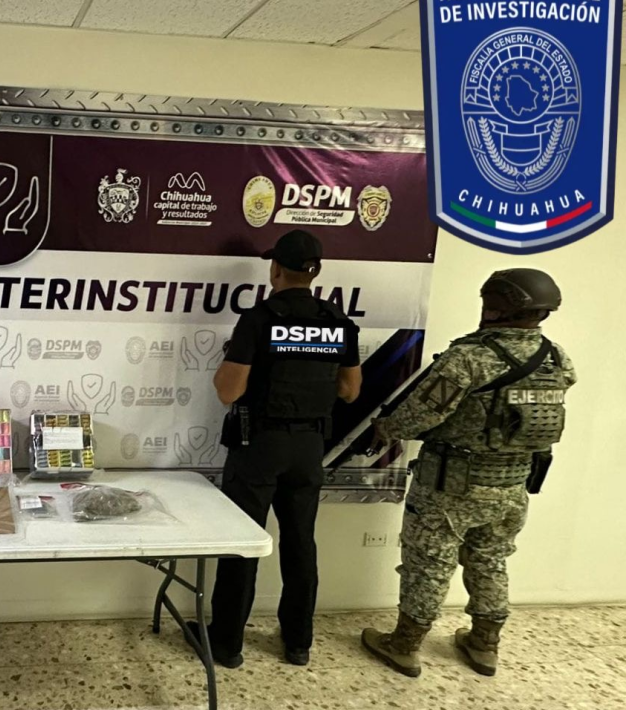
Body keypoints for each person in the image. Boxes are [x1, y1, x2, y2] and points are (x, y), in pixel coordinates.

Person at [362, 269, 575, 678]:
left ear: (496, 305)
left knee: (429, 563)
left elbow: (421, 414)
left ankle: (404, 645)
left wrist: (385, 428)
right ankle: (484, 644)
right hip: (513, 485)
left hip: (451, 486)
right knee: (491, 560)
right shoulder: (556, 358)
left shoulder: (470, 358)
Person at [191, 229, 362, 668]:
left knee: (243, 543)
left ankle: (227, 643)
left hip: (259, 446)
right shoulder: (338, 322)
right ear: (315, 272)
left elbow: (228, 391)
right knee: (301, 542)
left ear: (276, 269)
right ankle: (298, 642)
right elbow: (350, 391)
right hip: (309, 447)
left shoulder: (259, 319)